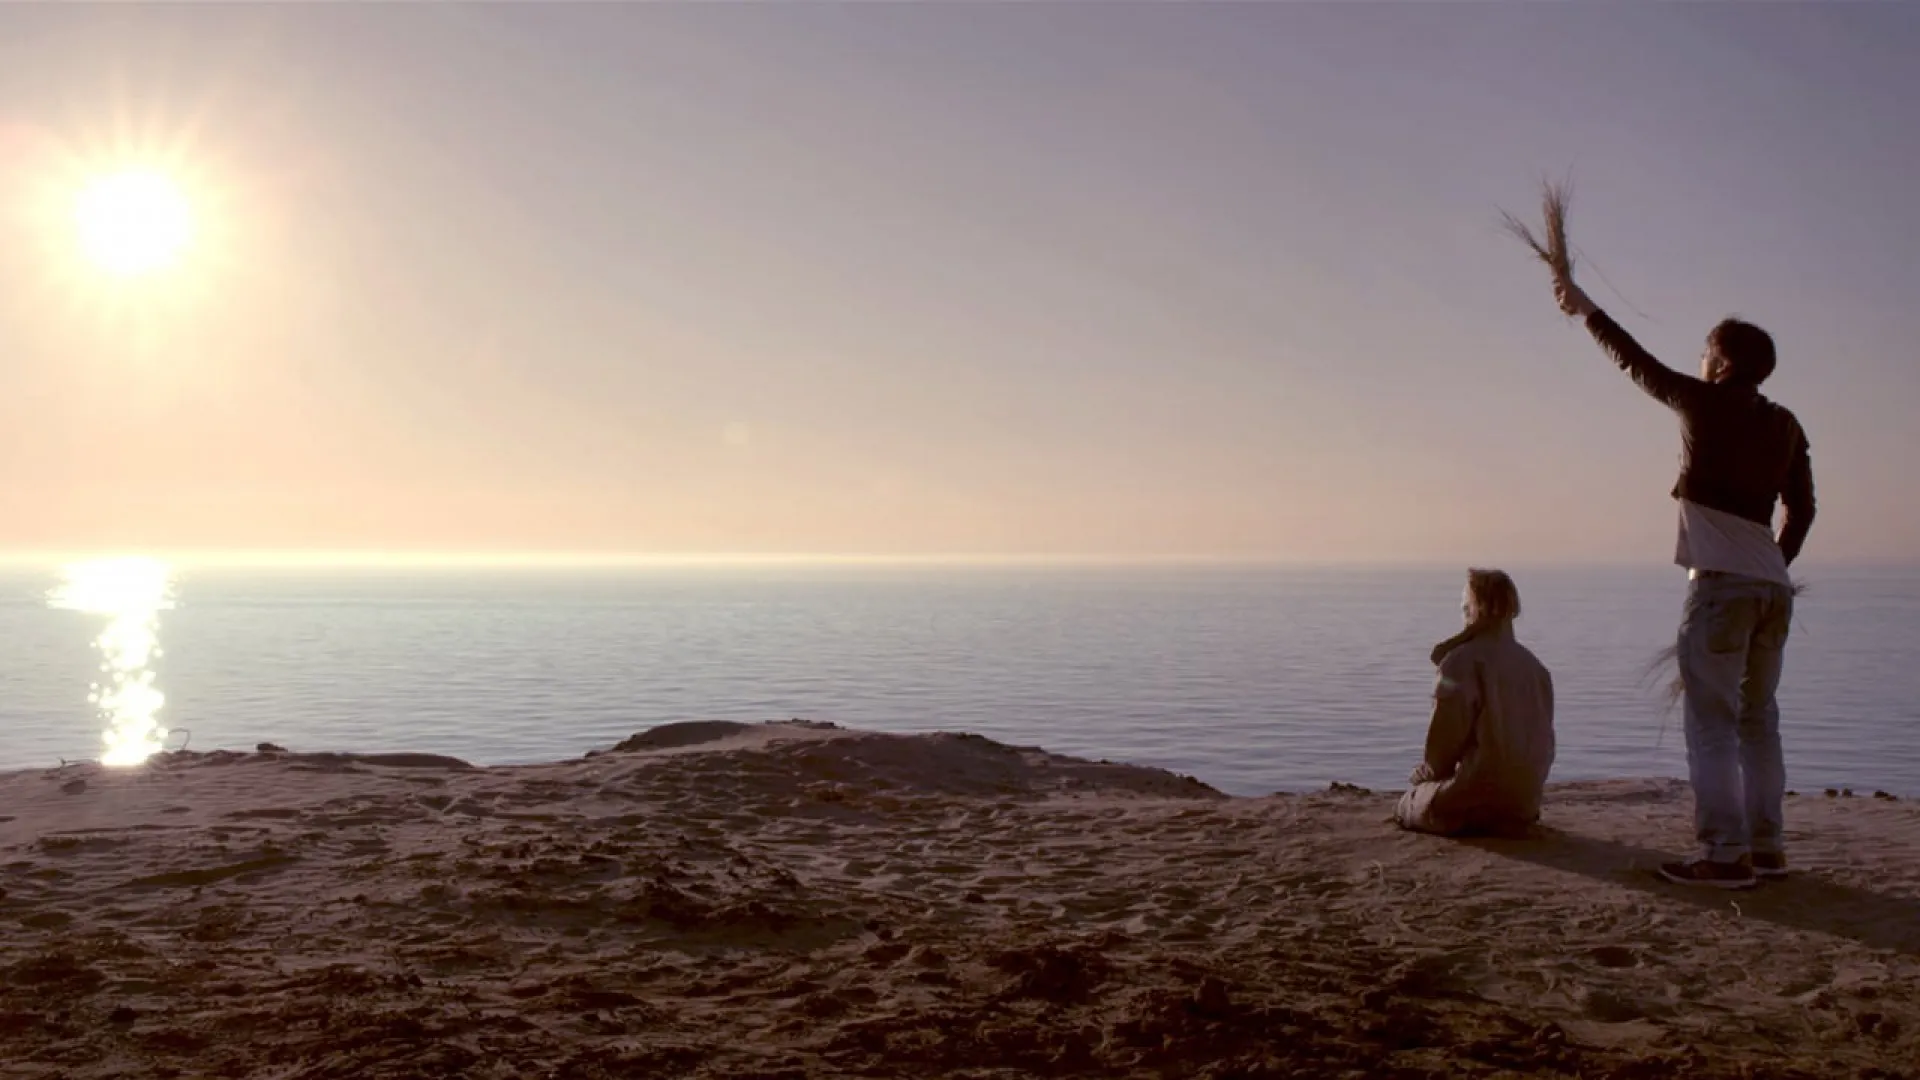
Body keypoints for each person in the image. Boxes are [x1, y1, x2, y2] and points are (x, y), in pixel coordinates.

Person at [1554, 275, 1815, 890]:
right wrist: (1774, 565)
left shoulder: (1702, 402)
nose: (1699, 360)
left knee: (1713, 724)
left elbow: (1633, 361)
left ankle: (1723, 856)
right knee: (1759, 721)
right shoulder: (1786, 425)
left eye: (1705, 351)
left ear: (1720, 363)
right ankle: (1767, 849)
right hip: (1771, 590)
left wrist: (1583, 308)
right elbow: (1801, 511)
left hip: (1722, 588)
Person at [1396, 568, 1556, 838]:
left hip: (1474, 800)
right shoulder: (1536, 669)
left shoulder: (1460, 662)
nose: (1462, 613)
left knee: (1408, 803)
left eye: (1464, 606)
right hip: (1524, 804)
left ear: (1476, 609)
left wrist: (1425, 777)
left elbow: (1441, 750)